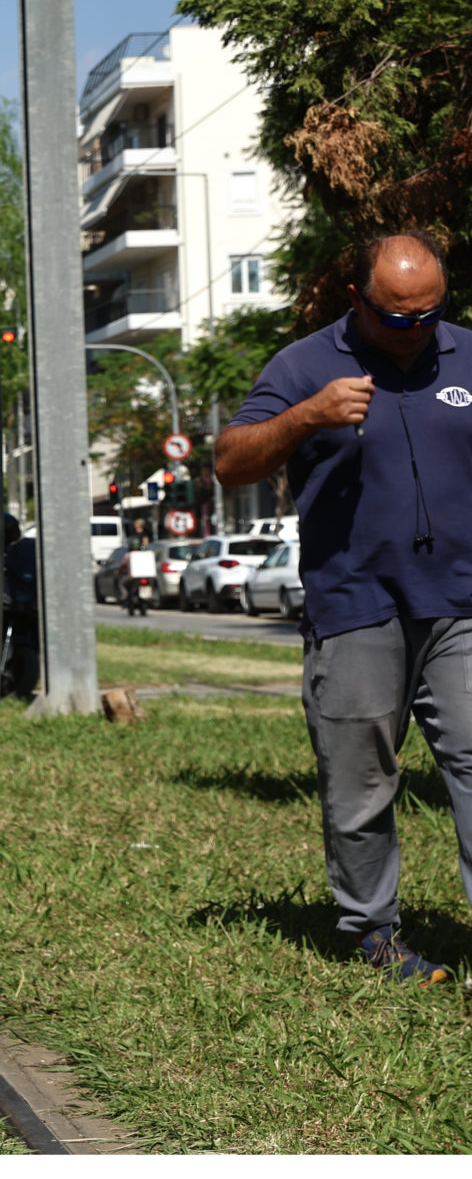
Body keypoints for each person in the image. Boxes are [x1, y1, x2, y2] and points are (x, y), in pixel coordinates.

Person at [215, 230, 472, 987]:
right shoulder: (303, 367)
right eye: (396, 316)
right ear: (357, 299)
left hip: (462, 605)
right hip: (356, 607)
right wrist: (306, 417)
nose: (416, 328)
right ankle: (375, 935)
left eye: (429, 310)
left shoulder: (466, 354)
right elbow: (230, 462)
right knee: (360, 783)